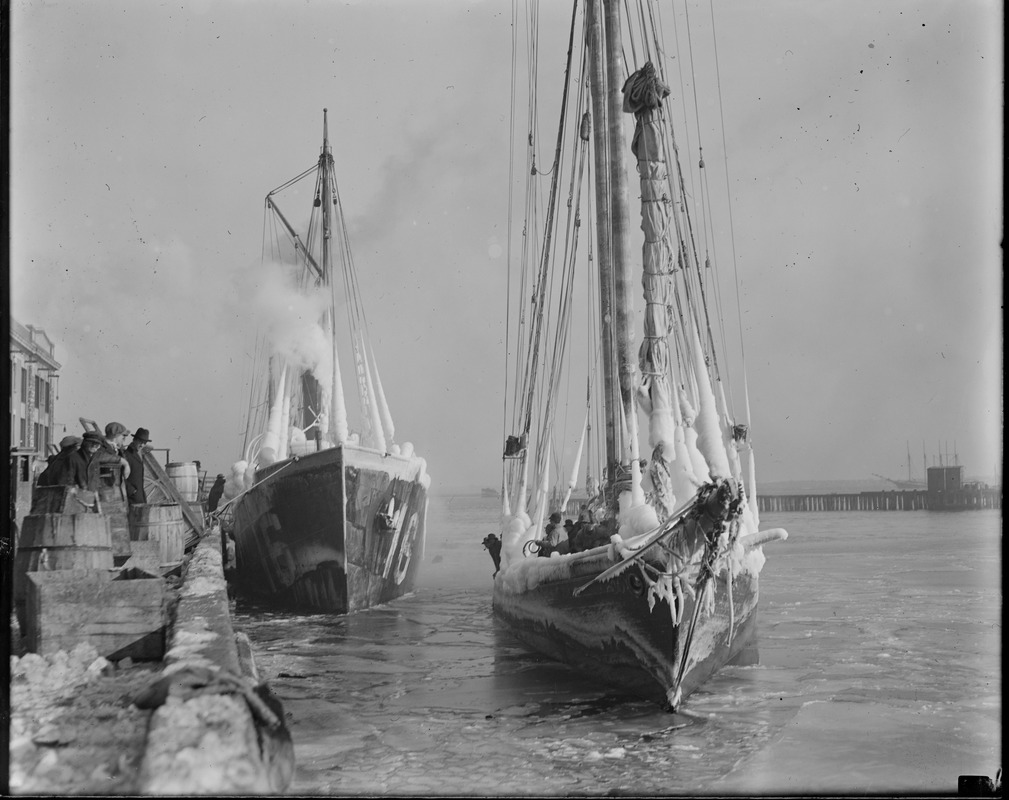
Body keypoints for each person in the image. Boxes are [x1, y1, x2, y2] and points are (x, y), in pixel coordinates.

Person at [124, 427, 153, 505]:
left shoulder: (139, 455)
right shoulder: (126, 455)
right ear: (134, 440)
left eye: (145, 443)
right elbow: (120, 477)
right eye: (140, 441)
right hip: (130, 498)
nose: (142, 445)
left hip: (139, 496)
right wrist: (132, 491)